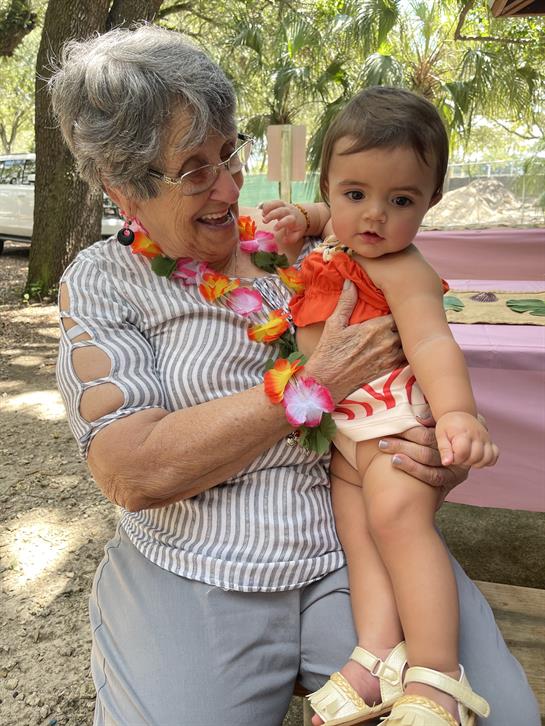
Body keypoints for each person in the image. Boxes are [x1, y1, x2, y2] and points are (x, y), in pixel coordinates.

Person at [51, 25, 539, 726]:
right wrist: (309, 385)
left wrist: (438, 440)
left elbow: (423, 341)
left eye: (228, 150)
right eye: (193, 170)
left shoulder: (315, 240)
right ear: (120, 187)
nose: (228, 185)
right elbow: (130, 471)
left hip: (360, 544)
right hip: (199, 565)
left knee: (501, 720)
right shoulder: (103, 281)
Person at [261, 86, 503, 726]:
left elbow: (430, 341)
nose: (375, 216)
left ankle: (438, 678)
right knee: (361, 538)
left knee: (399, 525)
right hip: (347, 439)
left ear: (431, 202)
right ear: (331, 187)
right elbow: (331, 214)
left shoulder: (402, 267)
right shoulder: (341, 241)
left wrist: (456, 413)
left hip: (395, 428)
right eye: (355, 195)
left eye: (401, 201)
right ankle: (374, 656)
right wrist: (305, 221)